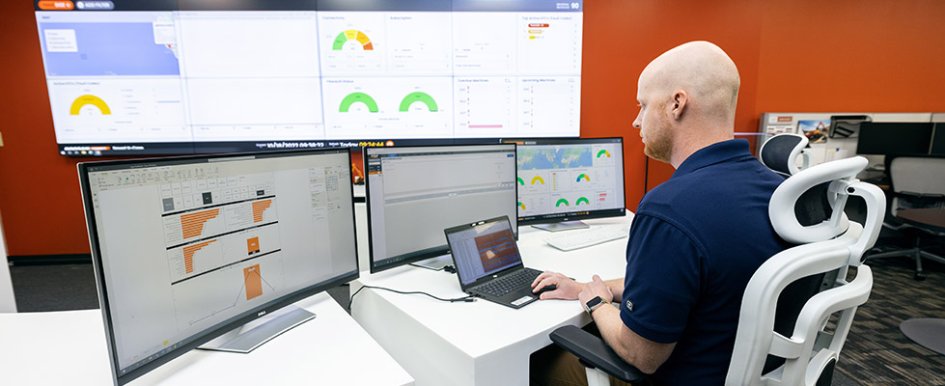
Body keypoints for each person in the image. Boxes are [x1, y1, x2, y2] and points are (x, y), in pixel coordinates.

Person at [530, 41, 789, 385]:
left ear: (676, 104)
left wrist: (595, 303)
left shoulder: (669, 209)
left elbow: (642, 354)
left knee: (543, 363)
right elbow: (688, 286)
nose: (636, 121)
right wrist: (581, 285)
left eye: (642, 105)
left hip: (681, 375)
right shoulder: (776, 190)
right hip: (754, 374)